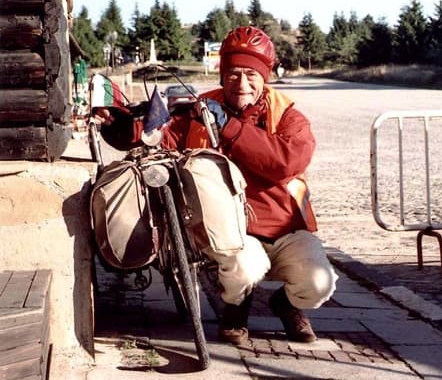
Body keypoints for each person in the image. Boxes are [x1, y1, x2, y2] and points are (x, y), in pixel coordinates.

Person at [94, 26, 337, 345]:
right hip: (226, 230)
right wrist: (122, 127)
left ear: (265, 77)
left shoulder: (288, 117)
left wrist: (231, 129)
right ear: (222, 74)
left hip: (285, 227)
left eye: (251, 74)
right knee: (243, 267)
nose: (242, 83)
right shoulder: (199, 108)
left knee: (320, 283)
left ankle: (286, 305)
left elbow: (286, 163)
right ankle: (235, 308)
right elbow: (159, 135)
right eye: (233, 73)